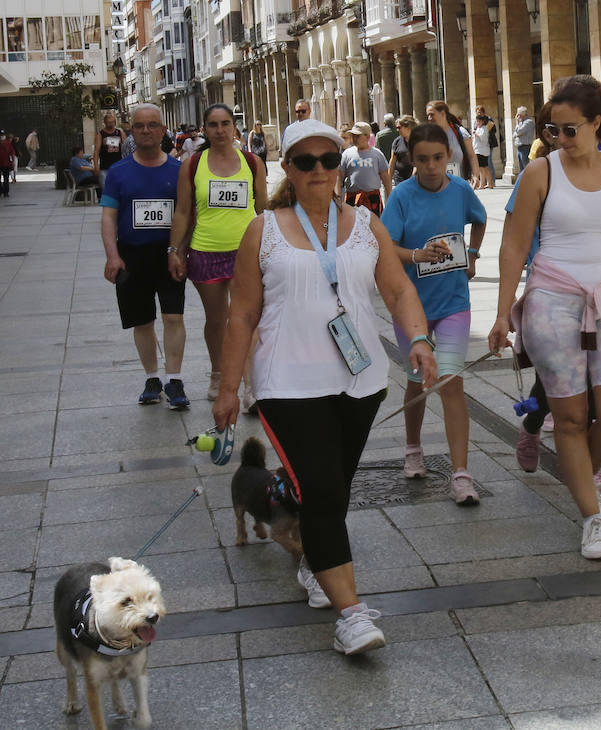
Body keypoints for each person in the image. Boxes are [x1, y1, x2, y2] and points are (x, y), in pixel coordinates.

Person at [213, 118, 436, 655]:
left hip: (359, 382)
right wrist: (226, 389)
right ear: (287, 168)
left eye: (329, 160)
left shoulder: (364, 224)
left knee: (330, 488)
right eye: (306, 161)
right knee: (324, 490)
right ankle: (352, 615)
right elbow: (241, 314)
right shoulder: (263, 229)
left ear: (341, 166)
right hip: (286, 383)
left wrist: (420, 340)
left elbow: (399, 289)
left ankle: (316, 561)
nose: (319, 171)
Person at [489, 78, 601, 560]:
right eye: (553, 131)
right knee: (569, 418)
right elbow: (512, 246)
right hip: (551, 301)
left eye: (570, 130)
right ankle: (592, 517)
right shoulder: (540, 174)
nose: (561, 140)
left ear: (597, 124)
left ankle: (577, 473)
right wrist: (504, 312)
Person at [381, 122, 487, 504]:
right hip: (412, 309)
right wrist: (414, 255)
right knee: (418, 380)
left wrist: (472, 255)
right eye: (422, 159)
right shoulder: (402, 197)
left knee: (451, 381)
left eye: (438, 158)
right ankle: (413, 447)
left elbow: (480, 217)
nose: (430, 167)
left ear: (449, 157)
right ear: (411, 159)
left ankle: (461, 474)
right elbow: (385, 244)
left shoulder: (459, 190)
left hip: (454, 303)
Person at [169, 103, 269, 402]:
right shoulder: (193, 164)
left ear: (234, 127)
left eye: (226, 123)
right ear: (205, 129)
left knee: (247, 318)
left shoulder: (252, 162)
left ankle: (250, 384)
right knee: (217, 320)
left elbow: (263, 209)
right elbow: (184, 212)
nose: (220, 130)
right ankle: (219, 373)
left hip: (246, 252)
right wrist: (174, 250)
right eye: (213, 125)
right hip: (205, 251)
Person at [99, 104, 190, 410]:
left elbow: (187, 215)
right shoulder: (118, 173)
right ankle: (152, 378)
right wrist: (112, 256)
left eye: (153, 125)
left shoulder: (179, 171)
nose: (147, 130)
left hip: (168, 254)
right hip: (131, 255)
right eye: (140, 126)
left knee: (173, 316)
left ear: (163, 130)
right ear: (132, 132)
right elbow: (109, 217)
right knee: (143, 321)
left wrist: (180, 252)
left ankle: (174, 379)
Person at [340, 121, 391, 215]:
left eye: (357, 136)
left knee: (374, 227)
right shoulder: (347, 154)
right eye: (353, 135)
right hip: (353, 198)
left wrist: (391, 199)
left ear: (367, 136)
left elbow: (386, 179)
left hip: (372, 198)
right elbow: (339, 178)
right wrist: (337, 197)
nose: (354, 138)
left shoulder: (377, 154)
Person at [424, 100, 478, 186]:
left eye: (432, 114)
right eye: (428, 115)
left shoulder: (460, 132)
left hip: (458, 186)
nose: (429, 118)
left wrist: (475, 175)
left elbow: (471, 155)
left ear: (442, 114)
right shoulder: (427, 136)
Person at [95, 112, 127, 189]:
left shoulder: (119, 132)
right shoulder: (100, 134)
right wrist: (96, 166)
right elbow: (96, 151)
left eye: (112, 122)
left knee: (120, 189)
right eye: (109, 122)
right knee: (106, 190)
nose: (111, 124)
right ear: (105, 123)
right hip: (105, 167)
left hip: (119, 166)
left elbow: (126, 147)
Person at [388, 114, 418, 186]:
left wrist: (411, 179)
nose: (397, 130)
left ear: (408, 127)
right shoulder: (397, 141)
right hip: (399, 179)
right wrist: (388, 180)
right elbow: (392, 161)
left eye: (399, 127)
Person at [472, 111, 495, 190]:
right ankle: (490, 183)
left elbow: (483, 139)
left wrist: (475, 134)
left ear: (482, 121)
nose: (477, 123)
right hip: (479, 149)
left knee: (482, 168)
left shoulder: (484, 129)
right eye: (477, 121)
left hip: (481, 150)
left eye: (479, 121)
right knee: (485, 167)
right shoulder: (479, 128)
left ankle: (482, 184)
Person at [513, 106, 534, 172]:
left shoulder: (528, 122)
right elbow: (514, 134)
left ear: (522, 114)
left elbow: (519, 131)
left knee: (526, 167)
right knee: (521, 169)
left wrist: (516, 122)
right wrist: (518, 134)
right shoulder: (521, 122)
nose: (517, 116)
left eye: (518, 114)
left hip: (525, 147)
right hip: (519, 147)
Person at [0, 132, 15, 197]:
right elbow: (11, 154)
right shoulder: (8, 143)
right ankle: (6, 192)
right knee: (6, 178)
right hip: (6, 164)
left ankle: (1, 191)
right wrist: (12, 162)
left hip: (3, 163)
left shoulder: (7, 143)